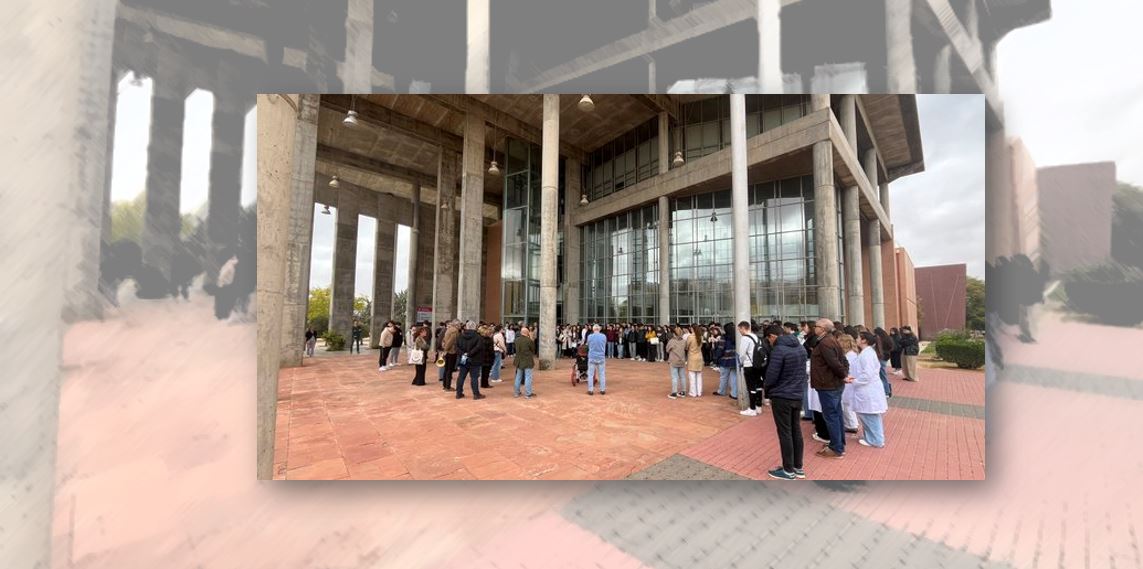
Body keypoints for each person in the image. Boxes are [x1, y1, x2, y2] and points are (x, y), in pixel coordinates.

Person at [763, 324, 808, 480]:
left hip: (781, 396)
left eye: (769, 340)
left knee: (785, 432)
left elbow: (771, 375)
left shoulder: (779, 350)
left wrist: (767, 391)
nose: (769, 343)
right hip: (797, 395)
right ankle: (798, 467)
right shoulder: (800, 348)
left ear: (772, 336)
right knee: (796, 430)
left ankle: (788, 470)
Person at [810, 318, 850, 459]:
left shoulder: (826, 343)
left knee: (831, 416)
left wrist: (843, 375)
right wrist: (843, 375)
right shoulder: (830, 340)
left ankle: (836, 448)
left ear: (823, 328)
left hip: (828, 385)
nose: (815, 328)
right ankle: (838, 443)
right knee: (836, 414)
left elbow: (835, 363)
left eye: (817, 326)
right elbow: (843, 361)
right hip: (833, 384)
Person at [849, 332, 889, 448]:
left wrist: (855, 381)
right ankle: (870, 438)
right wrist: (855, 379)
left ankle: (876, 440)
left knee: (869, 416)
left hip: (868, 389)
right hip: (866, 389)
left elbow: (867, 375)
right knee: (867, 415)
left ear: (864, 340)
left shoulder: (867, 355)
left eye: (857, 338)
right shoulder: (867, 353)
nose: (856, 340)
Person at [737, 321, 764, 416]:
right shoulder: (756, 337)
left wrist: (740, 362)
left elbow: (742, 353)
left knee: (751, 387)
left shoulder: (745, 338)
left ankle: (752, 409)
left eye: (739, 329)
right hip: (758, 364)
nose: (739, 331)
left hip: (749, 365)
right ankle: (758, 406)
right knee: (758, 386)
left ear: (743, 328)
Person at [837, 333, 862, 436]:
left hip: (849, 381)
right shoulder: (853, 354)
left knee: (847, 404)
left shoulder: (849, 356)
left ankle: (852, 425)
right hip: (850, 381)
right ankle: (851, 423)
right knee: (847, 404)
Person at [454, 320, 485, 400]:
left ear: (466, 327)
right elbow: (478, 348)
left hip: (463, 359)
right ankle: (476, 394)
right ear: (475, 327)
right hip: (475, 360)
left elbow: (456, 347)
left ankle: (458, 393)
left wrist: (463, 354)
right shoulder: (478, 337)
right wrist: (469, 353)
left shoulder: (460, 336)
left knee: (461, 377)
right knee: (474, 377)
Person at [714, 322, 739, 399]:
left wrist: (717, 357)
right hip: (734, 360)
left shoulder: (724, 337)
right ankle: (734, 394)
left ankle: (721, 391)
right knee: (734, 377)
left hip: (725, 360)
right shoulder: (737, 337)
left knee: (724, 377)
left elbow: (720, 349)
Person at [513, 326, 536, 398]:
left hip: (519, 360)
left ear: (521, 332)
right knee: (528, 377)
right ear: (527, 333)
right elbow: (533, 350)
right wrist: (531, 338)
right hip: (527, 360)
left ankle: (516, 393)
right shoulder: (529, 340)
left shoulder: (516, 340)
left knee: (518, 377)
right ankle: (528, 393)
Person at [585, 324, 607, 395]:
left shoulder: (590, 336)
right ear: (599, 329)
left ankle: (590, 390)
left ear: (593, 329)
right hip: (601, 357)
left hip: (592, 357)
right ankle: (602, 390)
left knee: (590, 374)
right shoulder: (603, 336)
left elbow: (588, 345)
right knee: (602, 374)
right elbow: (604, 344)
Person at [665, 327, 687, 399]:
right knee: (682, 377)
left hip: (674, 361)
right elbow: (686, 348)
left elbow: (667, 350)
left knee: (674, 377)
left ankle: (674, 393)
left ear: (674, 334)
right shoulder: (684, 341)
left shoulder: (672, 341)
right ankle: (683, 392)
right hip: (682, 361)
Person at [685, 324, 705, 397]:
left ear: (692, 329)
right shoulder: (701, 337)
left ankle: (693, 392)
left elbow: (686, 347)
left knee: (692, 375)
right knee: (699, 375)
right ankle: (699, 392)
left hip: (692, 357)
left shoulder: (690, 337)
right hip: (699, 356)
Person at [441, 320, 460, 391]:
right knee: (449, 370)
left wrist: (444, 348)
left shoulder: (448, 329)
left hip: (448, 351)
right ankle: (448, 386)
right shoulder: (454, 331)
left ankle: (445, 385)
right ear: (456, 325)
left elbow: (444, 340)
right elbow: (450, 342)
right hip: (451, 352)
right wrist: (446, 349)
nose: (460, 326)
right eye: (459, 324)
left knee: (446, 369)